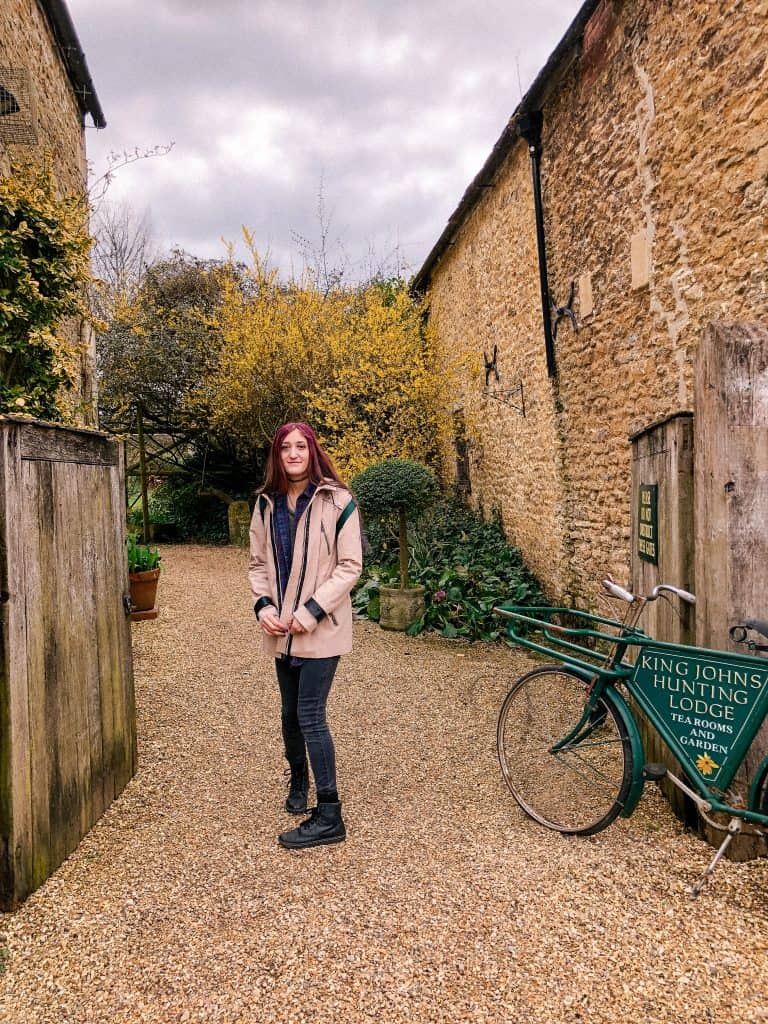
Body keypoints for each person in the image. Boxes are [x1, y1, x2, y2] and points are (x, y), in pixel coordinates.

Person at [248, 422, 362, 849]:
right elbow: (258, 564)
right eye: (285, 447)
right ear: (277, 455)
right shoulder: (264, 505)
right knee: (289, 714)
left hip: (321, 629)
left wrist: (310, 611)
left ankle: (330, 814)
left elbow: (349, 566)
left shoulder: (339, 501)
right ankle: (299, 780)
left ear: (312, 451)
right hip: (281, 631)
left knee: (311, 714)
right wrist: (266, 608)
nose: (293, 453)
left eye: (301, 446)